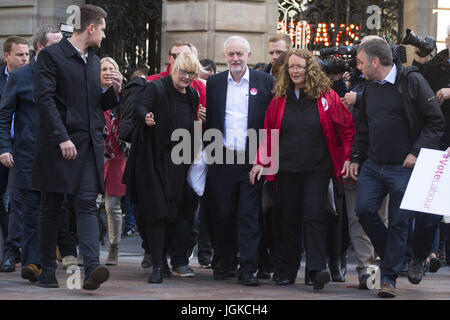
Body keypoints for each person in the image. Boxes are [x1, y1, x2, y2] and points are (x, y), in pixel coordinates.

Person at [33, 4, 123, 290]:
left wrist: (114, 93)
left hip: (88, 146)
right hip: (58, 146)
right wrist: (62, 137)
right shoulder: (51, 56)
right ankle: (47, 268)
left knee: (86, 203)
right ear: (92, 28)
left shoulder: (94, 60)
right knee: (52, 206)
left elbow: (96, 104)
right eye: (104, 29)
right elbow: (45, 100)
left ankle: (92, 267)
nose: (105, 35)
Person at [250, 49, 355, 290]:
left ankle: (316, 270)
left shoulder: (328, 97)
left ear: (310, 69)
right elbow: (268, 134)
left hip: (317, 168)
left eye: (300, 66)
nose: (295, 71)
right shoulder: (278, 99)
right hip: (285, 169)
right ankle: (286, 270)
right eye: (291, 67)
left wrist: (348, 157)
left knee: (314, 216)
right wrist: (260, 161)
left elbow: (347, 129)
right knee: (286, 218)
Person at [349, 39, 445, 298]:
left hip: (404, 166)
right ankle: (398, 254)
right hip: (373, 164)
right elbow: (365, 127)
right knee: (364, 210)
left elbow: (436, 122)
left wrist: (415, 152)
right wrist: (356, 156)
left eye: (360, 62)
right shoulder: (370, 87)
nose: (357, 67)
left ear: (375, 62)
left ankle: (388, 279)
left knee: (400, 223)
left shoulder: (412, 82)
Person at [124, 50, 201, 283]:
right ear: (174, 69)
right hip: (151, 160)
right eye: (183, 72)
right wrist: (145, 117)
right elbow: (139, 108)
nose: (186, 77)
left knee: (173, 213)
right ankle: (157, 264)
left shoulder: (192, 96)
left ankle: (164, 261)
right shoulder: (155, 88)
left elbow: (191, 127)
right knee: (157, 212)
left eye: (191, 74)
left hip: (178, 162)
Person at [204, 35, 274, 287]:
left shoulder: (265, 82)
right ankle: (223, 262)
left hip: (251, 161)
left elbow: (271, 124)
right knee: (221, 213)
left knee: (248, 215)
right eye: (231, 54)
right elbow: (208, 119)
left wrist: (264, 159)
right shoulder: (213, 83)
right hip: (221, 158)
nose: (235, 58)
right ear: (225, 56)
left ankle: (248, 269)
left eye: (239, 54)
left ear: (248, 56)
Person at [0, 26, 64, 282]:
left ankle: (50, 258)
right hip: (27, 154)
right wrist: (4, 147)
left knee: (54, 209)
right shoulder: (21, 77)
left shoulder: (64, 76)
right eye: (56, 45)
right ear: (41, 47)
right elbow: (4, 116)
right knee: (29, 209)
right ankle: (33, 262)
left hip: (59, 153)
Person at [407, 24, 450, 278]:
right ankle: (422, 255)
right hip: (437, 141)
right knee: (429, 206)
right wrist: (419, 59)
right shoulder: (437, 62)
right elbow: (415, 82)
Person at [0, 36, 30, 273]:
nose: (25, 59)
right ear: (6, 56)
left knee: (17, 200)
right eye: (19, 55)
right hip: (3, 145)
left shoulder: (35, 78)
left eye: (27, 54)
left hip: (24, 147)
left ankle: (12, 251)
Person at [100, 57, 126, 266]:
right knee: (90, 204)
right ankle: (86, 247)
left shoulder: (124, 98)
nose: (108, 72)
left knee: (113, 206)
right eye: (104, 69)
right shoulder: (91, 95)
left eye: (112, 69)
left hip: (118, 157)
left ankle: (113, 247)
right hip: (96, 157)